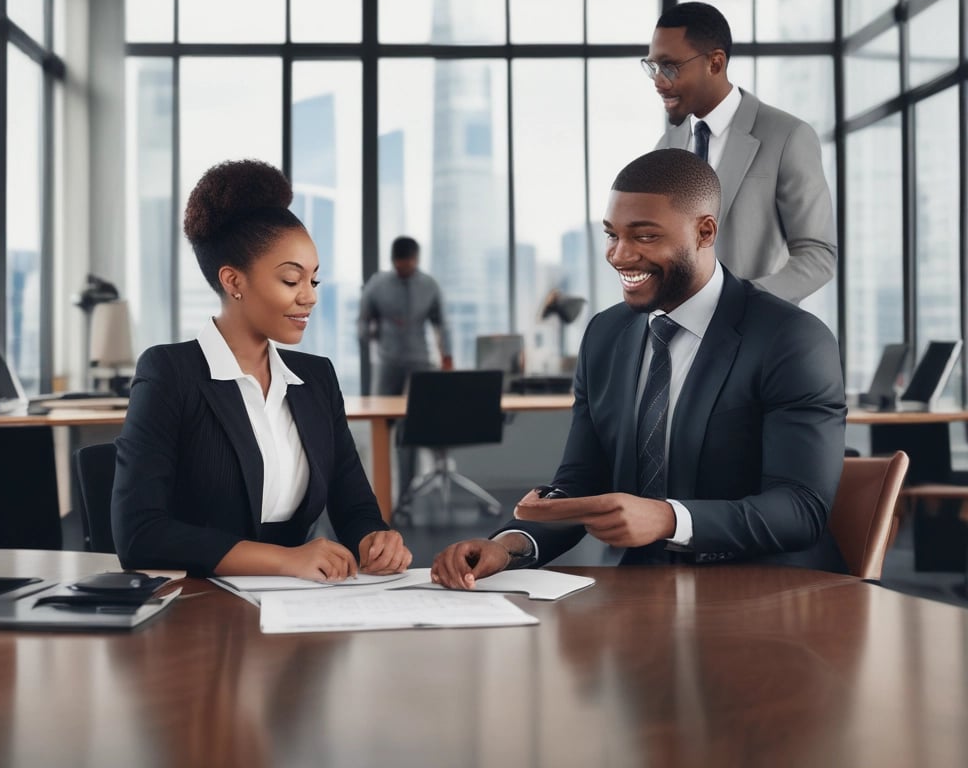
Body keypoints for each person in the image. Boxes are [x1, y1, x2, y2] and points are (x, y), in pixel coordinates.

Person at [430, 149, 846, 589]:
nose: (620, 255)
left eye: (645, 237)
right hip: (644, 591)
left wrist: (667, 518)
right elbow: (581, 481)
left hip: (769, 592)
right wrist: (511, 545)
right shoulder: (605, 335)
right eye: (612, 235)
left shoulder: (790, 338)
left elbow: (800, 508)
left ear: (704, 232)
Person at [112, 159, 412, 579]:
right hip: (198, 609)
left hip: (293, 608)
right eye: (291, 281)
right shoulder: (170, 373)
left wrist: (374, 539)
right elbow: (139, 534)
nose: (308, 297)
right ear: (234, 282)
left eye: (314, 281)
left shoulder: (316, 378)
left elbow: (355, 505)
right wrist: (286, 559)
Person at [646, 1, 835, 305]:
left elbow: (818, 255)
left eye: (670, 68)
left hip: (758, 338)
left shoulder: (787, 136)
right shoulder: (666, 147)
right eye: (653, 67)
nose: (658, 81)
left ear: (715, 64)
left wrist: (743, 304)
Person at [358, 236, 454, 497]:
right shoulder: (377, 285)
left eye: (409, 263)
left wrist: (447, 357)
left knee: (416, 426)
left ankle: (412, 491)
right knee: (382, 425)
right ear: (393, 261)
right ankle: (378, 491)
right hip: (388, 363)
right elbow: (363, 322)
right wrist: (371, 333)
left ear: (416, 259)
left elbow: (441, 324)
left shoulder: (429, 285)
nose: (405, 268)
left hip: (420, 364)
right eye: (400, 264)